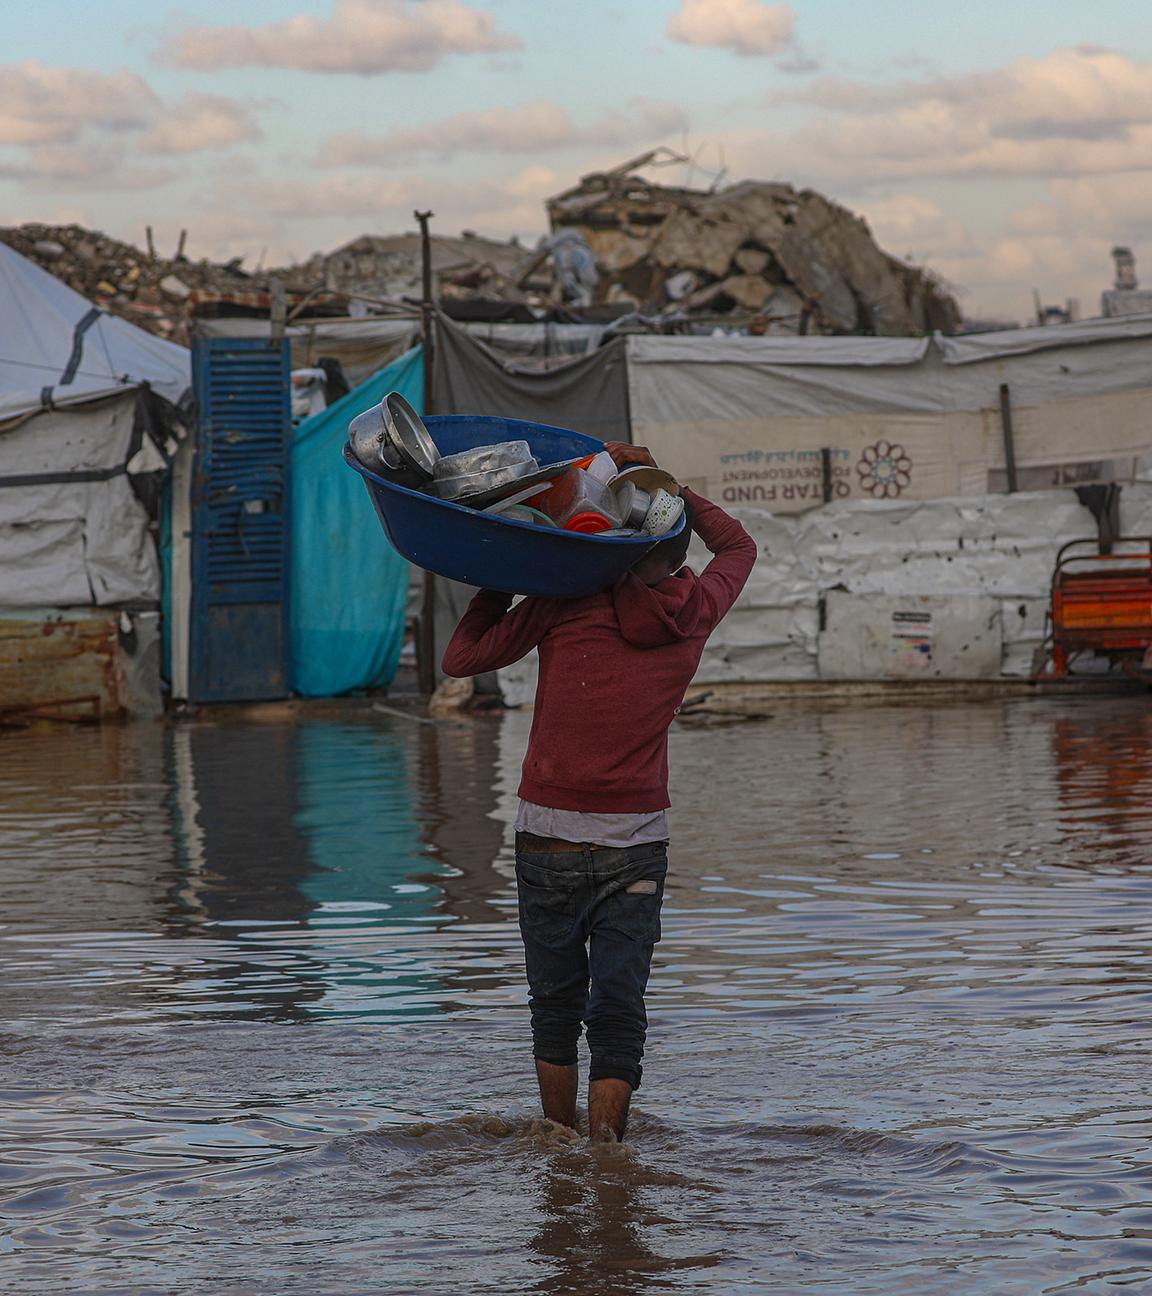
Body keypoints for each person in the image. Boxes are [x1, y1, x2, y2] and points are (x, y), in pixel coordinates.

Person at [441, 443, 757, 1141]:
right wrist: (670, 485)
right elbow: (737, 544)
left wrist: (506, 572)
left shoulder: (565, 597)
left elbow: (460, 658)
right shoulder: (697, 609)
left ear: (610, 549)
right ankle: (608, 1164)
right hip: (635, 845)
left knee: (554, 1009)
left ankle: (557, 1152)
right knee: (618, 1013)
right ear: (675, 558)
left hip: (546, 837)